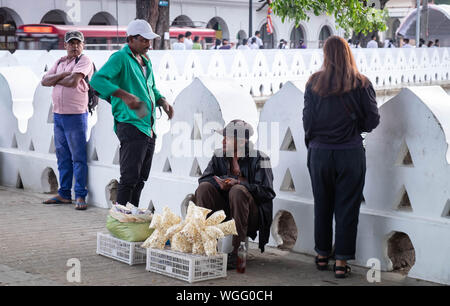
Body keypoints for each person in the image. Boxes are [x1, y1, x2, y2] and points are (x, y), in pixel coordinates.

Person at [303, 36, 380, 279]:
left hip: (320, 153)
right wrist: (355, 128)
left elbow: (307, 120)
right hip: (350, 153)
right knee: (347, 207)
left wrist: (314, 144)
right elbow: (372, 120)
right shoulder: (361, 83)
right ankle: (341, 262)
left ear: (325, 54)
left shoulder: (314, 82)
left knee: (322, 204)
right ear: (348, 53)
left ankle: (322, 255)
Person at [90, 19, 174, 208]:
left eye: (149, 40)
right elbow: (97, 80)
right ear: (131, 39)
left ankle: (132, 214)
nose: (148, 44)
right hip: (130, 123)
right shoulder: (120, 58)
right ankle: (121, 219)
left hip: (148, 125)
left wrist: (162, 101)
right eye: (144, 40)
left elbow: (150, 87)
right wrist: (123, 95)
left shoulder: (145, 61)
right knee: (129, 177)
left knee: (141, 178)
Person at [193, 120, 275, 270]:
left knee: (238, 191)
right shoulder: (219, 155)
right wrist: (219, 183)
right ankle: (206, 246)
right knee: (204, 188)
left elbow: (267, 192)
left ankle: (237, 253)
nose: (223, 141)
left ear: (242, 142)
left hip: (251, 214)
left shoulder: (262, 159)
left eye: (228, 138)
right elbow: (204, 178)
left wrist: (238, 183)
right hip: (225, 210)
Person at [41, 30, 94, 211]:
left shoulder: (85, 61)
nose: (75, 46)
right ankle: (64, 193)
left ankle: (80, 194)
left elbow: (73, 82)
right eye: (71, 43)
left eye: (78, 43)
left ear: (83, 45)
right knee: (62, 156)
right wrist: (63, 75)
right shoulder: (60, 62)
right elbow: (44, 81)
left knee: (78, 157)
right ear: (65, 46)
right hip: (59, 115)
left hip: (76, 115)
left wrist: (56, 79)